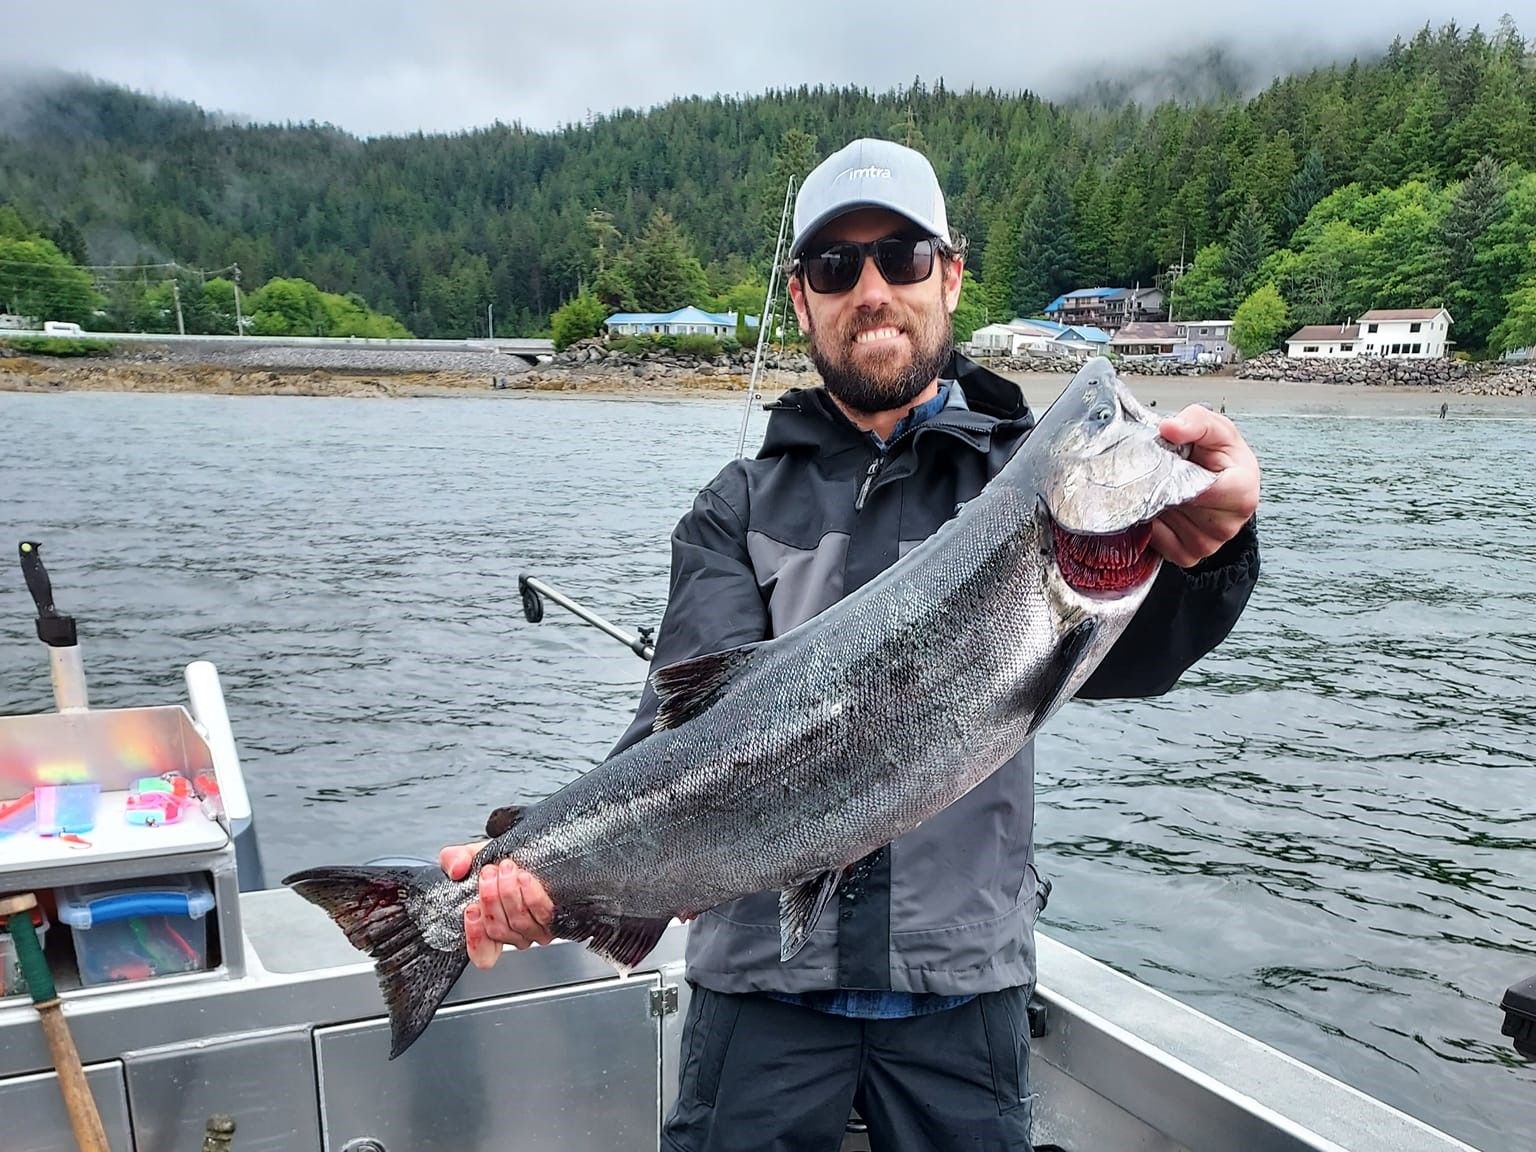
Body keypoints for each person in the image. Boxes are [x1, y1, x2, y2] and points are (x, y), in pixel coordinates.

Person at [441, 137, 1262, 1150]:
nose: (871, 288)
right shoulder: (731, 509)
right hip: (758, 997)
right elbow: (679, 732)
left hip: (962, 990)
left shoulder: (1020, 481)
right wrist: (527, 864)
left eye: (902, 257)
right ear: (803, 300)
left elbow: (1138, 657)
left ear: (950, 277)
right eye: (837, 266)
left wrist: (1212, 548)